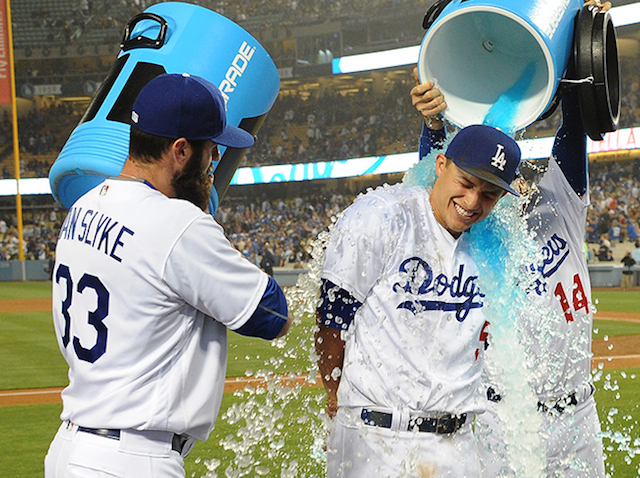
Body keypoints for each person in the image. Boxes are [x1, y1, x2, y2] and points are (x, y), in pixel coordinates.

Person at [45, 73, 292, 478]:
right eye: (211, 151)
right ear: (180, 150)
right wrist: (204, 225)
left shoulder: (84, 206)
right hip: (132, 459)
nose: (214, 164)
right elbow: (273, 317)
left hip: (71, 448)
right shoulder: (178, 223)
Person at [412, 0, 608, 472]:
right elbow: (433, 185)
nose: (487, 195)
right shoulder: (475, 235)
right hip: (503, 420)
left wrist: (580, 31)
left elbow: (574, 127)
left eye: (501, 184)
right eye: (482, 186)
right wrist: (432, 124)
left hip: (578, 418)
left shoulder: (559, 206)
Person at [315, 121, 521, 476]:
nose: (473, 202)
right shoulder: (382, 216)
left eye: (489, 194)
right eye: (466, 183)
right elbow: (332, 320)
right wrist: (335, 398)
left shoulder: (493, 244)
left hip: (457, 444)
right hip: (376, 438)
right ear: (440, 166)